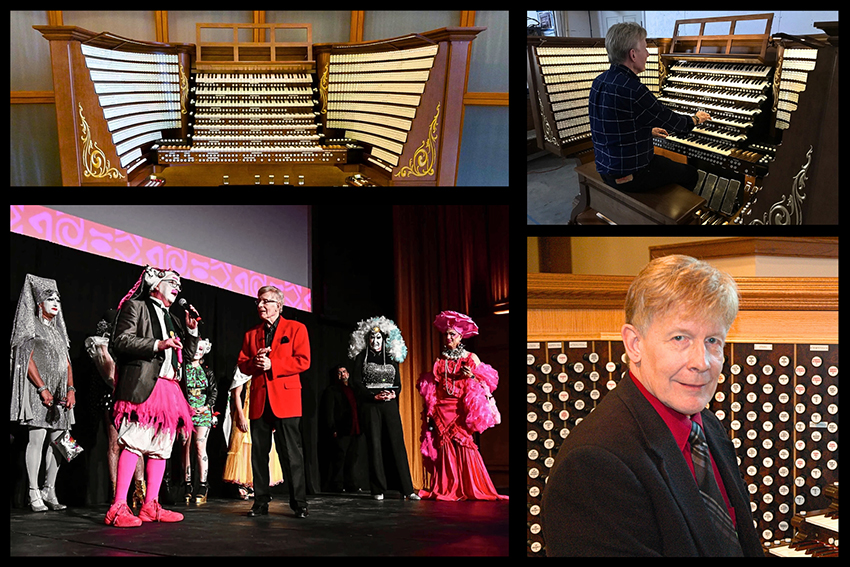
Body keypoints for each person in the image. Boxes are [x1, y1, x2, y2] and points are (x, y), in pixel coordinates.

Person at [542, 255, 763, 556]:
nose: (702, 362)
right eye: (680, 338)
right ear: (634, 344)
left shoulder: (706, 424)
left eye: (712, 340)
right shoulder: (594, 465)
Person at [104, 266, 199, 528]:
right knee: (134, 441)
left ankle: (150, 505)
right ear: (155, 284)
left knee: (161, 447)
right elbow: (121, 341)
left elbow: (187, 357)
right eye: (172, 281)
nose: (177, 285)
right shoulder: (137, 306)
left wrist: (191, 333)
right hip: (145, 385)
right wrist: (157, 344)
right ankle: (118, 506)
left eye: (179, 282)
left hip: (170, 389)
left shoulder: (174, 319)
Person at [589, 22, 710, 192]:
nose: (647, 54)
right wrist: (696, 119)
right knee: (690, 174)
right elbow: (672, 121)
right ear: (632, 55)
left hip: (605, 168)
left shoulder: (599, 81)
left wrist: (647, 130)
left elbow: (610, 124)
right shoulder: (633, 89)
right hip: (632, 174)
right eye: (644, 49)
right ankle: (671, 214)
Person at [237, 285, 310, 518]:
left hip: (286, 398)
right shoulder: (251, 334)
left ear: (279, 305)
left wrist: (273, 365)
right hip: (260, 399)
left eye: (266, 301)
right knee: (259, 454)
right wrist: (254, 363)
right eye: (259, 301)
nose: (261, 305)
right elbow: (242, 363)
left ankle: (299, 503)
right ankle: (260, 501)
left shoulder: (296, 328)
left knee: (291, 453)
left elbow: (303, 360)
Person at [417, 311, 507, 501]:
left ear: (460, 336)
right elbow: (434, 386)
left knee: (464, 444)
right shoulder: (440, 360)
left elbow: (487, 383)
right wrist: (430, 409)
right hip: (442, 408)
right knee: (445, 446)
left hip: (459, 408)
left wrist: (472, 376)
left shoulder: (470, 357)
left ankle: (470, 486)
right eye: (447, 334)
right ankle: (448, 487)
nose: (448, 337)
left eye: (452, 334)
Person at [11, 274, 76, 512]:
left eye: (58, 299)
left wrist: (70, 389)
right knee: (36, 440)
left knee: (60, 443)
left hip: (61, 394)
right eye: (50, 299)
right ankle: (33, 491)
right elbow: (25, 358)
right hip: (40, 392)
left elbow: (67, 363)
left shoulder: (58, 331)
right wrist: (41, 388)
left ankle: (50, 488)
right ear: (40, 304)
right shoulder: (32, 326)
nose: (56, 303)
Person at [348, 316, 418, 501]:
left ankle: (407, 488)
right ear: (367, 339)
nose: (375, 341)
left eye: (379, 338)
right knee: (375, 445)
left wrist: (394, 394)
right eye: (372, 338)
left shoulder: (390, 356)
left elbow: (397, 383)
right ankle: (377, 488)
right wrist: (373, 396)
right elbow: (355, 382)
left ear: (384, 339)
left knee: (396, 442)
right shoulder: (362, 357)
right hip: (370, 406)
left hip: (389, 405)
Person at [180, 338, 217, 504]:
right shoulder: (183, 370)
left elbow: (213, 392)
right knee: (185, 446)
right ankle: (186, 484)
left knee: (200, 446)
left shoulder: (207, 372)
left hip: (202, 412)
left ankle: (203, 484)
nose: (197, 351)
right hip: (185, 411)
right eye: (195, 348)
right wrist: (185, 406)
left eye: (201, 349)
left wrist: (206, 406)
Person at [320, 364, 362, 493]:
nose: (342, 374)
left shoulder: (355, 390)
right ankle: (337, 485)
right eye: (339, 372)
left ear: (348, 374)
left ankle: (351, 484)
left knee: (352, 459)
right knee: (339, 459)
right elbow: (329, 411)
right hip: (341, 429)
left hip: (355, 429)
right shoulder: (332, 390)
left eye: (344, 371)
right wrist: (332, 428)